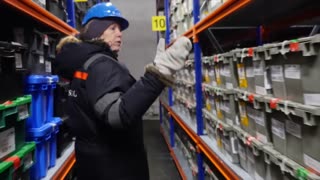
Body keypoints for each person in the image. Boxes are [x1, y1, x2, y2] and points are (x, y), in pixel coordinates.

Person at [54, 2, 192, 180]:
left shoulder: (82, 63)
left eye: (120, 29)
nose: (119, 34)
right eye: (112, 28)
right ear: (96, 31)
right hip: (115, 167)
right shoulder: (101, 65)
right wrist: (158, 74)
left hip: (92, 162)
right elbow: (116, 115)